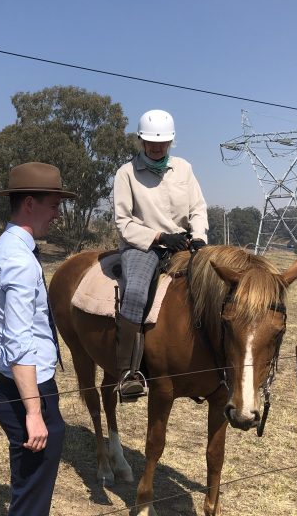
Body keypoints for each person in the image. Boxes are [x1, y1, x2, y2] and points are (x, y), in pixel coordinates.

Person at [0, 161, 76, 516]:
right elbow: (19, 340)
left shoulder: (3, 249)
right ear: (30, 204)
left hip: (14, 386)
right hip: (26, 391)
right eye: (53, 205)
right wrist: (34, 412)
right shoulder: (19, 261)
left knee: (28, 485)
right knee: (32, 496)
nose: (57, 214)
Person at [112, 109, 208, 400]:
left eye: (162, 142)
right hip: (145, 246)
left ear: (171, 141)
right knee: (137, 293)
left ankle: (213, 366)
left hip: (184, 244)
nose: (156, 147)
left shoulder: (184, 169)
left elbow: (198, 209)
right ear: (141, 140)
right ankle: (128, 372)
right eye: (151, 142)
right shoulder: (126, 173)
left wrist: (200, 238)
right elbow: (123, 222)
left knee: (217, 285)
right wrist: (158, 236)